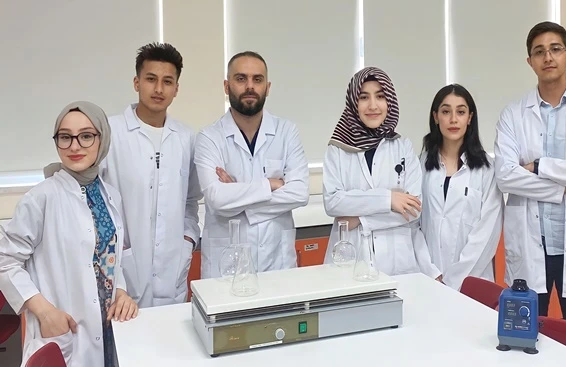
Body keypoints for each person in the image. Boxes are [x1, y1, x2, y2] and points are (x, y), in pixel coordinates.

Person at [0, 102, 139, 367]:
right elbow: (5, 260)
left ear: (102, 140)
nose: (75, 146)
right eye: (65, 137)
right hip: (66, 329)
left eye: (86, 136)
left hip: (107, 328)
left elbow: (111, 257)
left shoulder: (110, 195)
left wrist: (122, 292)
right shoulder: (41, 198)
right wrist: (45, 312)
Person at [493, 21, 566, 329]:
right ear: (530, 61)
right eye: (539, 51)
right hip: (531, 244)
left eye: (555, 49)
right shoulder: (513, 114)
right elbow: (505, 177)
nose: (548, 57)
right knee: (524, 335)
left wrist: (538, 166)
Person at [101, 42, 202, 307]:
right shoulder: (110, 132)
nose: (159, 89)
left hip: (173, 268)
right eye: (150, 79)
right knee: (123, 329)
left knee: (170, 330)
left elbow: (191, 200)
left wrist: (188, 240)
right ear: (137, 83)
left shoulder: (186, 137)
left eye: (167, 82)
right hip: (120, 269)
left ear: (176, 89)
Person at [194, 51, 309, 278]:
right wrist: (270, 185)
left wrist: (237, 196)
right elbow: (217, 199)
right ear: (226, 86)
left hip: (278, 264)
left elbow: (300, 193)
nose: (250, 86)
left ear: (268, 87)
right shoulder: (209, 137)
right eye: (241, 78)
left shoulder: (287, 132)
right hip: (225, 269)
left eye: (257, 79)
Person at [322, 66, 422, 275]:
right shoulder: (337, 149)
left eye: (380, 96)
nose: (373, 105)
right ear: (353, 102)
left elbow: (414, 209)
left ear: (389, 101)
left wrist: (360, 219)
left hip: (397, 261)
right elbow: (333, 202)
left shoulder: (403, 147)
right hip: (350, 259)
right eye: (364, 97)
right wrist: (389, 199)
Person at [412, 84, 503, 290]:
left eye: (460, 112)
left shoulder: (487, 169)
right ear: (436, 117)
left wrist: (453, 280)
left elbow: (486, 233)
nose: (453, 119)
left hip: (472, 280)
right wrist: (431, 272)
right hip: (429, 279)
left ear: (470, 118)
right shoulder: (420, 165)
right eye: (446, 112)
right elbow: (413, 224)